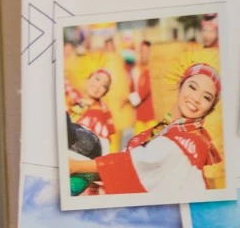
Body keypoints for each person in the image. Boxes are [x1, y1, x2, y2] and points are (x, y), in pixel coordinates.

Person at [68, 63, 222, 196]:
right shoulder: (168, 127)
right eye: (192, 87)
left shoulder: (190, 142)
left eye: (206, 97)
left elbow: (135, 162)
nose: (196, 98)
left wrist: (76, 166)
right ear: (180, 86)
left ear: (211, 108)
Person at [65, 69, 116, 156]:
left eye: (104, 86)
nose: (98, 86)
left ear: (105, 92)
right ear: (88, 79)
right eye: (97, 79)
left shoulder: (98, 113)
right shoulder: (75, 99)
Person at [123, 40, 154, 144]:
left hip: (152, 117)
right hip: (139, 117)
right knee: (138, 145)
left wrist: (127, 100)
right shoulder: (135, 70)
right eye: (141, 51)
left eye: (146, 51)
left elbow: (144, 92)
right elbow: (131, 88)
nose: (144, 54)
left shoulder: (154, 70)